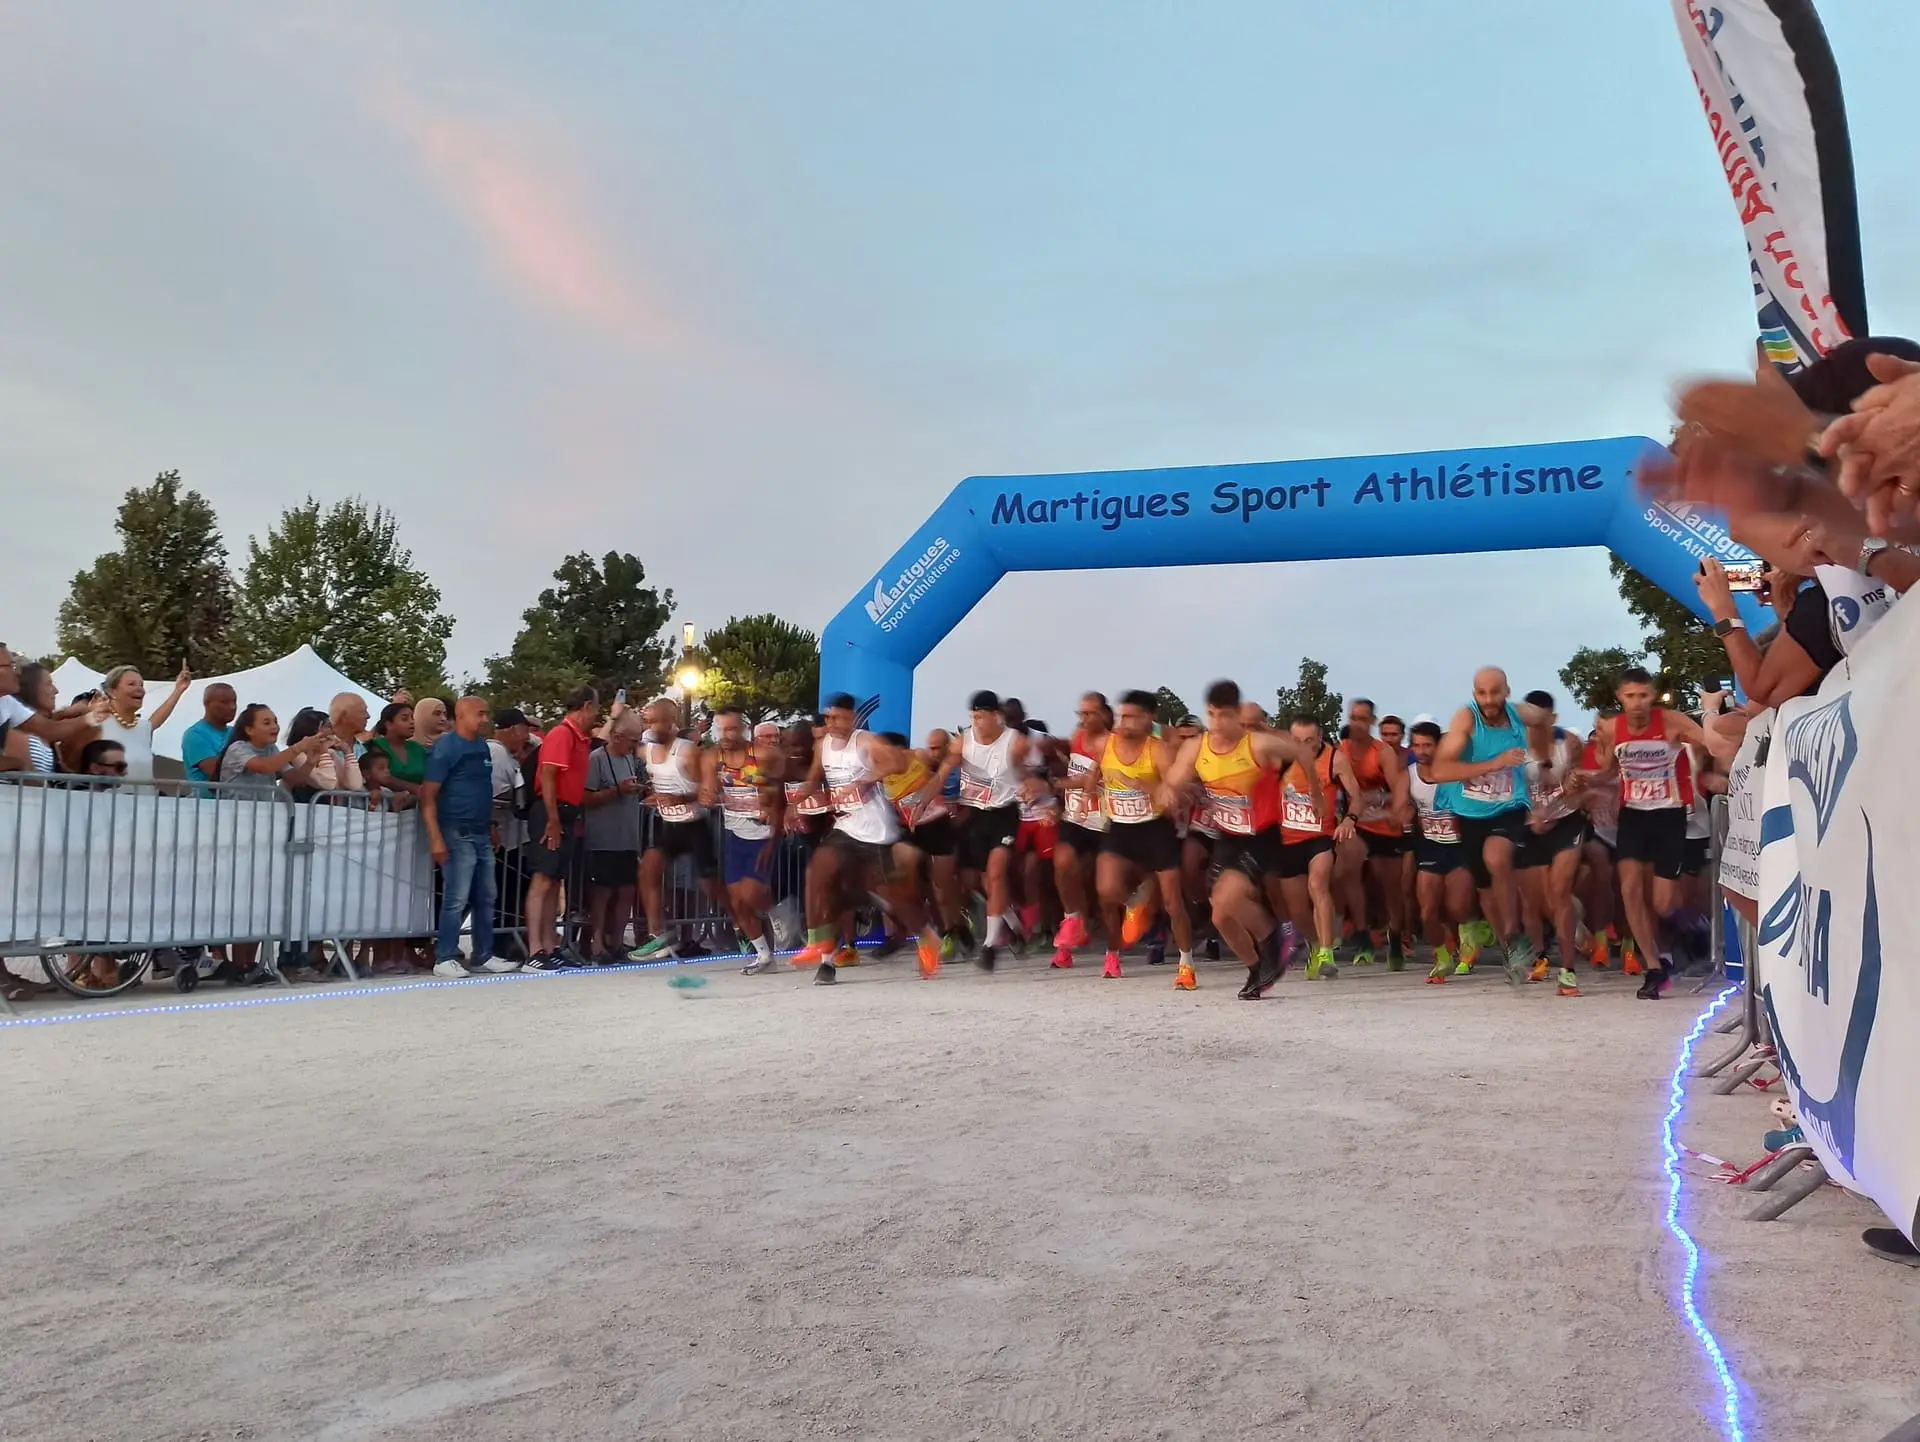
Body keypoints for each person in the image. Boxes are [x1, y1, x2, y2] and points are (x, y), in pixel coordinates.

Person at [1572, 667, 1713, 1001]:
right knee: (1630, 889)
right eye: (1630, 696)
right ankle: (1653, 967)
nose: (1637, 703)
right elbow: (1610, 771)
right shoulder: (1612, 728)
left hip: (1670, 815)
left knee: (1664, 904)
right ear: (1620, 697)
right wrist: (1587, 779)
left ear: (1653, 695)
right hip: (1634, 815)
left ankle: (1691, 930)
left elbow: (1711, 744)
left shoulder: (1672, 722)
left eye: (1643, 695)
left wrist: (1712, 725)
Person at [1164, 681, 1309, 995]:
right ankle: (1256, 971)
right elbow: (1174, 777)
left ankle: (1276, 942)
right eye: (1212, 715)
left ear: (1237, 715)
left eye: (1225, 716)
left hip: (1262, 835)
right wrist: (1169, 790)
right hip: (1228, 836)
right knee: (1221, 915)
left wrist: (1318, 796)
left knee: (1229, 897)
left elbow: (1300, 751)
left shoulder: (1257, 744)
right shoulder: (1197, 747)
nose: (1217, 723)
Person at [793, 694, 940, 984]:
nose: (832, 723)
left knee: (890, 897)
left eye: (838, 717)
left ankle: (927, 937)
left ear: (852, 717)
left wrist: (865, 780)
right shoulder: (823, 745)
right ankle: (823, 956)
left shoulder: (865, 741)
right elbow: (813, 777)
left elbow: (898, 762)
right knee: (821, 875)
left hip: (876, 831)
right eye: (829, 717)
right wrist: (795, 802)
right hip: (846, 827)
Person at [1428, 668, 1536, 985]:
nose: (1488, 700)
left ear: (1507, 691)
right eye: (1481, 693)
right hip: (1471, 813)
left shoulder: (1520, 715)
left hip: (1509, 806)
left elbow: (1546, 720)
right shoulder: (1466, 718)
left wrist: (1552, 749)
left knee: (1496, 857)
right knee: (1485, 888)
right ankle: (1508, 950)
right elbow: (1438, 771)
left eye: (1495, 692)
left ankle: (1514, 934)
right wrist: (1494, 763)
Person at [938, 690, 1032, 970]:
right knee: (976, 882)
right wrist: (923, 799)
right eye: (973, 717)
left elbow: (1031, 773)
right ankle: (1015, 927)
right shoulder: (963, 741)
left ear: (995, 716)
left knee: (996, 872)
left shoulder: (1016, 743)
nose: (976, 722)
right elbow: (942, 774)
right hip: (975, 816)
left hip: (1004, 814)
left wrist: (1033, 786)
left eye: (980, 716)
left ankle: (990, 946)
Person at [420, 696, 513, 978]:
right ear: (461, 716)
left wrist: (491, 824)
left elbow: (483, 789)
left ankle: (483, 954)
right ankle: (445, 956)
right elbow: (428, 795)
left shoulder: (482, 746)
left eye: (487, 714)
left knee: (487, 896)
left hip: (481, 830)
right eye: (479, 714)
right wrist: (436, 837)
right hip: (456, 830)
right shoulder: (446, 747)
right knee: (456, 897)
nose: (485, 719)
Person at [632, 698, 722, 960]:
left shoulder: (688, 752)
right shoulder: (647, 751)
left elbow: (708, 792)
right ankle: (657, 935)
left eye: (655, 722)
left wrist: (679, 798)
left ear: (670, 722)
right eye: (647, 722)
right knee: (648, 870)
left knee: (710, 885)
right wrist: (655, 796)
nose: (650, 727)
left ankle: (743, 927)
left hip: (694, 825)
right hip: (669, 824)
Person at [1331, 698, 1412, 969]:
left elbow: (1399, 786)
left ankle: (1396, 934)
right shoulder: (1341, 750)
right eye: (1353, 718)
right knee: (1347, 867)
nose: (1357, 723)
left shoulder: (1382, 752)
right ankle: (1362, 934)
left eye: (1363, 719)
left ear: (1372, 722)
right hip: (1358, 824)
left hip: (1386, 825)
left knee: (1392, 888)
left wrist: (1397, 810)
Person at [1514, 691, 1586, 998]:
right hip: (1527, 827)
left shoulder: (1569, 743)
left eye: (1541, 721)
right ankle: (1541, 955)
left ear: (1552, 719)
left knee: (1559, 891)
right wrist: (1532, 816)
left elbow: (1581, 792)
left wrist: (1571, 793)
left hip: (1565, 822)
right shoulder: (1512, 748)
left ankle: (1568, 971)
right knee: (1533, 901)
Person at [524, 686, 598, 971]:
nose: (596, 714)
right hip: (550, 811)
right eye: (595, 708)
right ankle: (534, 950)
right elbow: (548, 775)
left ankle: (549, 947)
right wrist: (553, 819)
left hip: (565, 812)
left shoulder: (578, 737)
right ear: (587, 706)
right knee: (543, 879)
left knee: (555, 881)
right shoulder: (562, 734)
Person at [706, 708, 785, 975]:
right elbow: (707, 790)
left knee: (749, 897)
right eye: (720, 729)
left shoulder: (763, 755)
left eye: (731, 729)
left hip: (763, 836)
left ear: (743, 729)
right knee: (737, 903)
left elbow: (782, 795)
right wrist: (706, 795)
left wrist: (773, 813)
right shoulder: (713, 757)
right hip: (734, 834)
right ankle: (764, 956)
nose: (725, 735)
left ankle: (778, 912)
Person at [1276, 717, 1346, 980]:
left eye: (1309, 741)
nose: (1303, 746)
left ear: (1320, 737)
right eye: (1297, 741)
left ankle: (1327, 953)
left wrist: (1350, 820)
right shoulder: (1279, 758)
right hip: (1287, 840)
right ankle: (1315, 944)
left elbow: (1357, 797)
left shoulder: (1334, 759)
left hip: (1320, 836)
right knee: (1296, 908)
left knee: (1318, 886)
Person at [1406, 721, 1475, 982]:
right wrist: (1402, 813)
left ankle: (1471, 937)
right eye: (1416, 745)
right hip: (1430, 846)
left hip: (1460, 847)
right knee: (1427, 912)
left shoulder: (1458, 772)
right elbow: (1404, 803)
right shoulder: (1409, 774)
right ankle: (1443, 957)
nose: (1421, 751)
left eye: (1427, 745)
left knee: (1457, 909)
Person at [1051, 693, 1112, 967]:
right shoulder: (1078, 736)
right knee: (1063, 863)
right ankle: (1071, 923)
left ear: (1104, 715)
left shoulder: (1110, 743)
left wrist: (1054, 784)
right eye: (1081, 713)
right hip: (1075, 818)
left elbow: (1090, 779)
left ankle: (1111, 951)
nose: (1083, 719)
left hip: (1103, 822)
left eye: (1089, 714)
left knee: (1101, 886)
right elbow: (1072, 766)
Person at [581, 712, 645, 965]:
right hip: (603, 839)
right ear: (617, 737)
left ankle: (616, 942)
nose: (635, 746)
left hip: (628, 837)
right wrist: (618, 791)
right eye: (632, 741)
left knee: (627, 891)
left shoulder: (629, 759)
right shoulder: (596, 759)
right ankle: (596, 944)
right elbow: (585, 798)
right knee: (602, 893)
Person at [0, 644, 102, 770]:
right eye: (10, 666)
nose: (17, 672)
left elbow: (48, 729)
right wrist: (18, 765)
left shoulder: (6, 701)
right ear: (32, 689)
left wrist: (93, 717)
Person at [90, 662, 191, 782]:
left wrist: (179, 690)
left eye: (141, 685)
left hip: (145, 794)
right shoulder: (97, 725)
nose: (139, 689)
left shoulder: (142, 727)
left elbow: (156, 719)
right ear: (113, 692)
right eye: (131, 684)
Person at [488, 708, 535, 957]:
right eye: (524, 730)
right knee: (503, 896)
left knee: (511, 895)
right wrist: (526, 795)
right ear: (514, 729)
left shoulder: (507, 754)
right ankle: (497, 947)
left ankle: (505, 944)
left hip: (512, 839)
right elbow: (495, 793)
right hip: (502, 838)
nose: (526, 737)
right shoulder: (496, 752)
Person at [217, 704, 328, 794]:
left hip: (264, 811)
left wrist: (310, 762)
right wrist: (298, 747)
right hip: (235, 811)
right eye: (267, 723)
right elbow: (265, 767)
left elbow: (293, 779)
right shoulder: (238, 748)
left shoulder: (272, 749)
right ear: (249, 730)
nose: (274, 726)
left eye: (275, 722)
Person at [363, 702, 429, 809]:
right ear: (388, 724)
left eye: (412, 718)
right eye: (404, 719)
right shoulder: (375, 745)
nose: (412, 722)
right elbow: (380, 776)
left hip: (416, 809)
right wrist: (413, 788)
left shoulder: (417, 748)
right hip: (384, 808)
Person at [308, 693, 369, 799]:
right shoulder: (319, 745)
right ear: (344, 716)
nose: (368, 716)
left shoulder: (364, 748)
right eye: (363, 711)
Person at [181, 682, 237, 795]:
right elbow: (219, 773)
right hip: (207, 804)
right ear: (207, 704)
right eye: (224, 702)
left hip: (236, 803)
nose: (233, 707)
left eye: (234, 701)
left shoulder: (235, 732)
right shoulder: (195, 734)